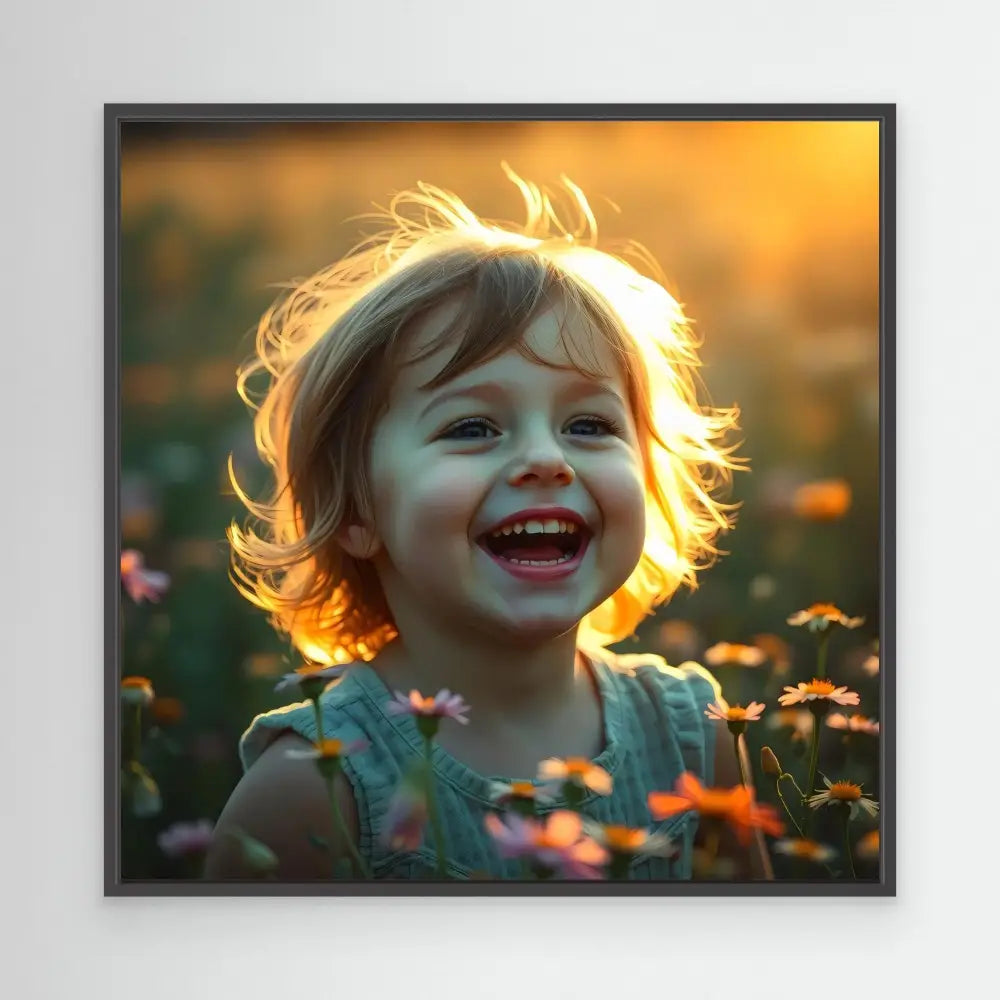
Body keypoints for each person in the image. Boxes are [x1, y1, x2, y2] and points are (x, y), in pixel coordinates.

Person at [204, 167, 768, 881]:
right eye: (472, 426)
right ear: (353, 513)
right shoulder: (316, 788)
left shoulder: (693, 739)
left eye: (589, 424)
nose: (545, 458)